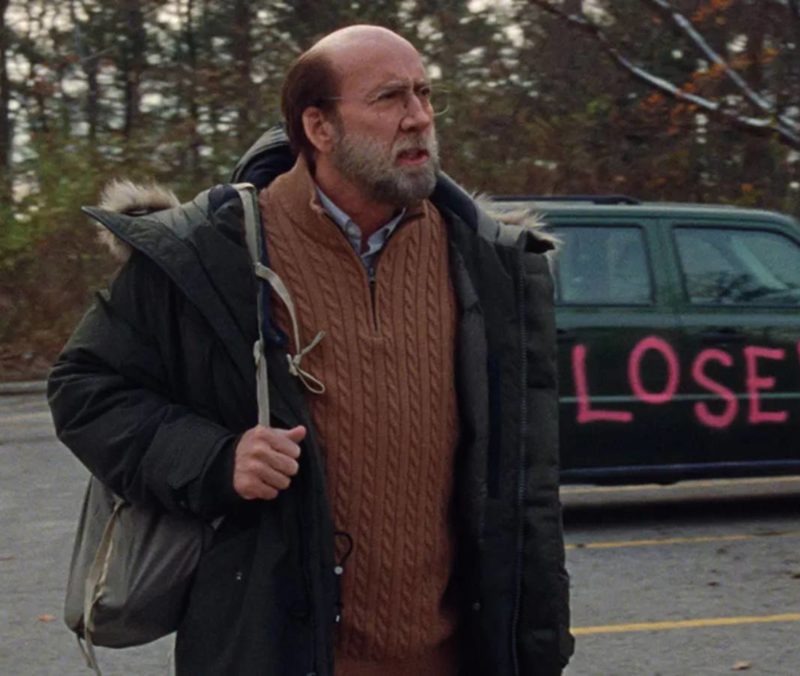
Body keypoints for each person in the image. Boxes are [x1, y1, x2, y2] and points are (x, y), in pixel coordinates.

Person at [48, 24, 572, 676]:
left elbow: (525, 491)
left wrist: (538, 646)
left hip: (453, 658)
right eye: (389, 98)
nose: (418, 118)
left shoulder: (488, 261)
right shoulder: (210, 253)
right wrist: (215, 459)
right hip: (274, 653)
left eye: (424, 94)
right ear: (319, 127)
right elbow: (84, 387)